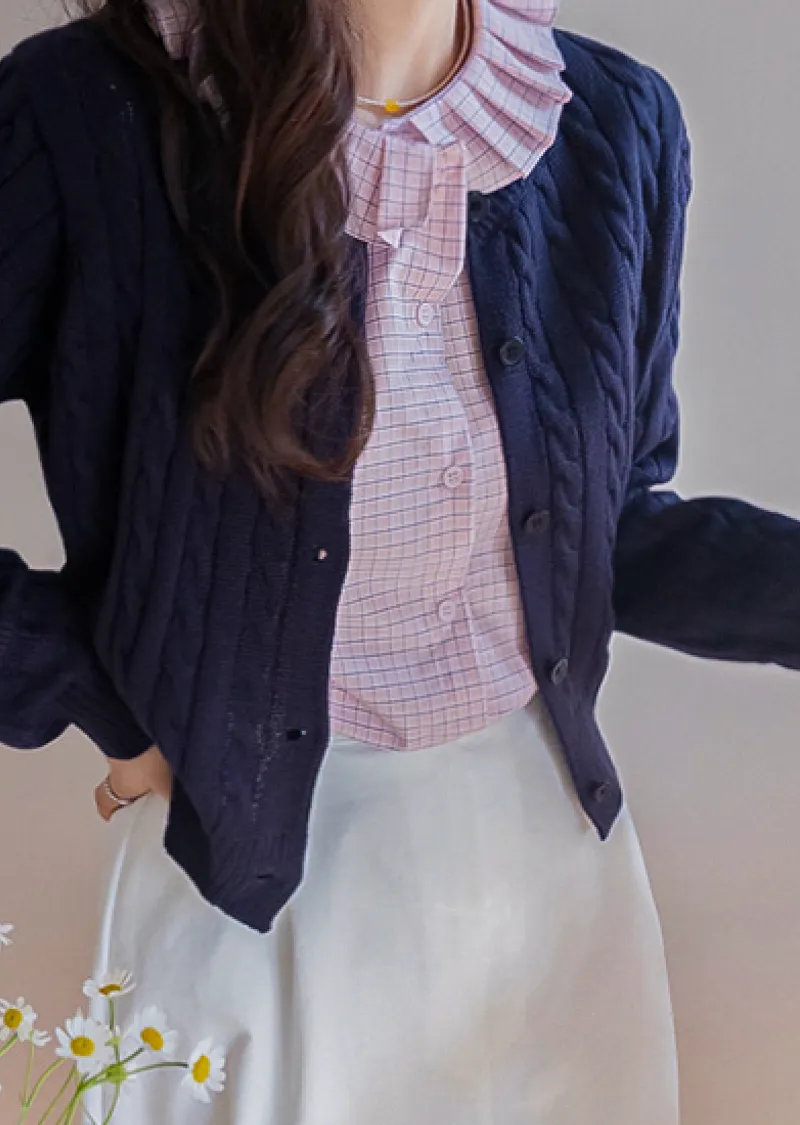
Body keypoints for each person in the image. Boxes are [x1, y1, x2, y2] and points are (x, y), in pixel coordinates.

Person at [2, 0, 799, 1120]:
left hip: (537, 876)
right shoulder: (87, 115)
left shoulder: (614, 124)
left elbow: (609, 525)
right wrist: (88, 695)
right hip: (238, 875)